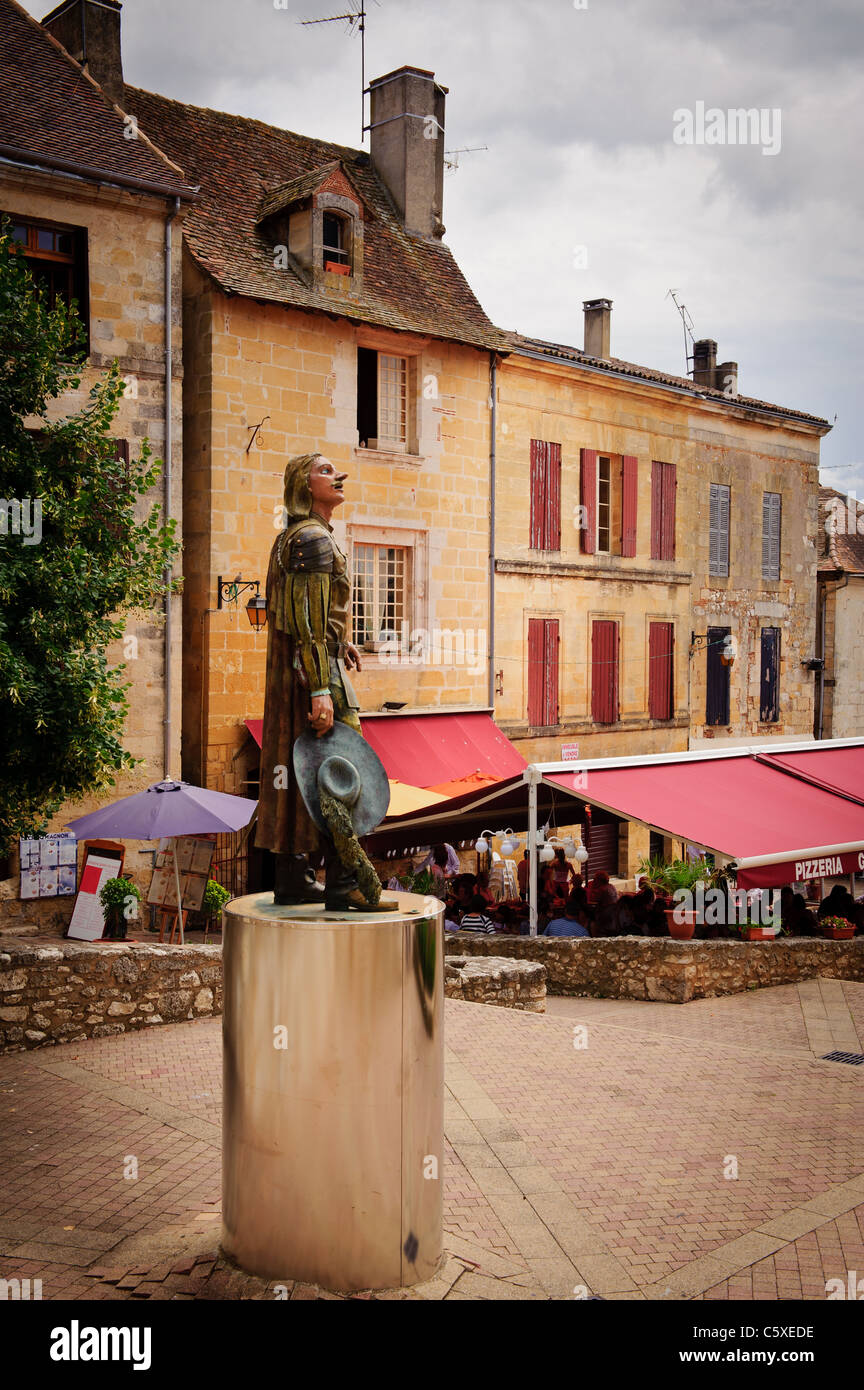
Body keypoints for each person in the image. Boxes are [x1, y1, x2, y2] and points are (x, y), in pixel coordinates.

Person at [258, 452, 392, 911]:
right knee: (343, 770)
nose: (338, 476)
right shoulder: (312, 539)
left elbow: (313, 616)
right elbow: (309, 625)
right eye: (325, 471)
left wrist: (342, 643)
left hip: (310, 666)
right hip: (315, 676)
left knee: (297, 775)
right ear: (303, 485)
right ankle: (343, 880)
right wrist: (320, 687)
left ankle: (294, 877)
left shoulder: (295, 537)